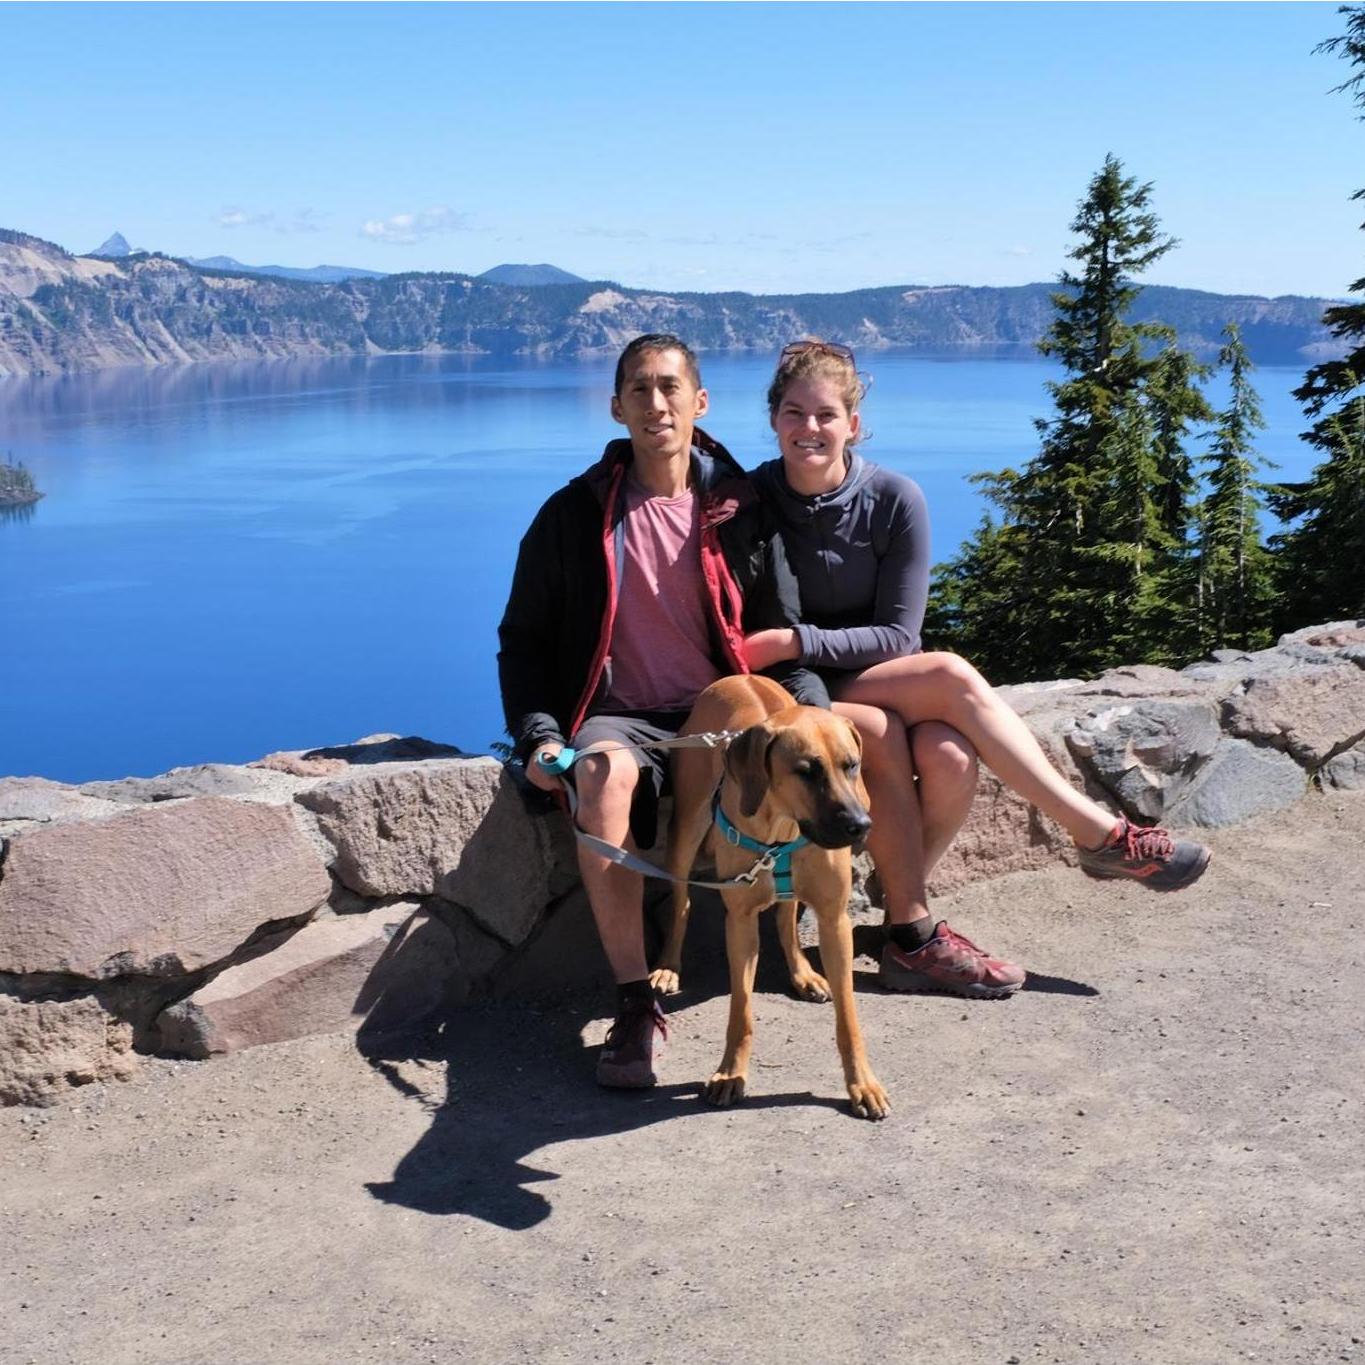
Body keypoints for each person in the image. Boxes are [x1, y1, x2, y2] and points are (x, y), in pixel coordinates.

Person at [743, 339, 1211, 998]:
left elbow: (898, 635)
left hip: (865, 669)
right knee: (919, 705)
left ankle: (904, 903)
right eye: (794, 413)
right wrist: (791, 655)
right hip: (795, 693)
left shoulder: (891, 498)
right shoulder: (751, 500)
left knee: (950, 752)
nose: (808, 428)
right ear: (773, 419)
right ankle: (922, 922)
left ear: (852, 422)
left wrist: (796, 639)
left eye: (825, 414)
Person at [498, 333, 824, 1090]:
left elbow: (783, 633)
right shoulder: (571, 517)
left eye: (671, 387)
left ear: (699, 402)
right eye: (639, 389)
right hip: (620, 715)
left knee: (819, 770)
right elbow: (522, 641)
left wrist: (808, 712)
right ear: (615, 407)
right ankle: (635, 1000)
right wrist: (540, 736)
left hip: (724, 707)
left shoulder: (741, 510)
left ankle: (809, 936)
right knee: (603, 780)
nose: (656, 403)